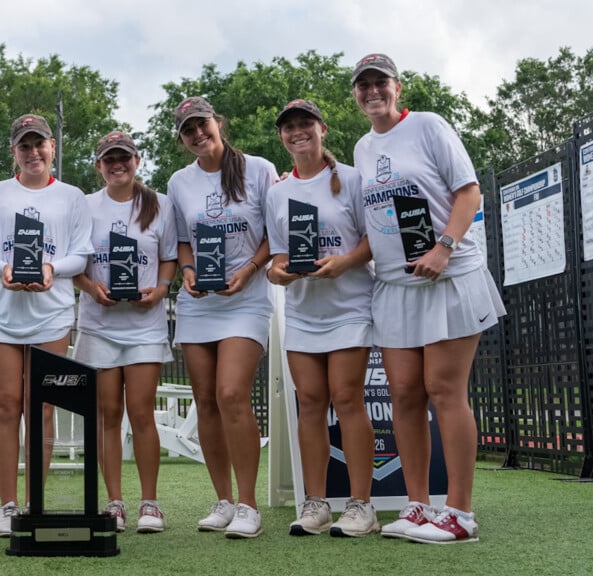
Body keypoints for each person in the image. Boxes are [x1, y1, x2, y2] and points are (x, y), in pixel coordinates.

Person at [350, 53, 505, 544]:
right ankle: (417, 506)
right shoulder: (361, 148)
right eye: (363, 85)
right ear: (355, 95)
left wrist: (444, 247)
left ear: (397, 87)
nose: (372, 91)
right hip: (395, 285)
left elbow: (469, 193)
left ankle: (460, 513)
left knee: (443, 389)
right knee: (404, 394)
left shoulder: (430, 126)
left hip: (449, 276)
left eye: (380, 82)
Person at [0, 113, 93, 537]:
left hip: (51, 315)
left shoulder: (72, 196)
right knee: (5, 405)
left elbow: (81, 253)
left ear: (52, 147)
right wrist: (2, 269)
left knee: (42, 407)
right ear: (14, 151)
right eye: (25, 145)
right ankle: (7, 505)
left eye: (40, 143)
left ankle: (34, 502)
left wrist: (52, 268)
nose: (33, 152)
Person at [265, 99, 378, 537]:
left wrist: (344, 262)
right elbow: (278, 258)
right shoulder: (277, 192)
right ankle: (316, 504)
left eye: (305, 124)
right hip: (303, 310)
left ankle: (361, 505)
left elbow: (372, 240)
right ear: (282, 136)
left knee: (347, 399)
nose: (298, 132)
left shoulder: (351, 178)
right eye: (289, 127)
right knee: (310, 403)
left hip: (350, 306)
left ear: (322, 129)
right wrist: (279, 274)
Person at [167, 97, 277, 539]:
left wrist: (249, 269)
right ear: (182, 138)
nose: (197, 134)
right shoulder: (179, 182)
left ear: (217, 123)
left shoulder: (259, 169)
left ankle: (248, 504)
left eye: (202, 124)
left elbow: (274, 234)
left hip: (247, 299)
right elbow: (182, 241)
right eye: (187, 129)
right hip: (199, 303)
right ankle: (224, 500)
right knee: (206, 401)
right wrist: (188, 270)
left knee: (231, 393)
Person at [73, 131, 178, 534]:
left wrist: (161, 289)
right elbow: (75, 263)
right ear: (98, 166)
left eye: (124, 158)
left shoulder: (160, 204)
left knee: (141, 411)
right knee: (108, 414)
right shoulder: (85, 205)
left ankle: (150, 503)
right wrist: (90, 288)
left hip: (144, 325)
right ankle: (114, 503)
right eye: (109, 159)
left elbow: (169, 257)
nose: (117, 165)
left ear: (137, 161)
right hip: (99, 325)